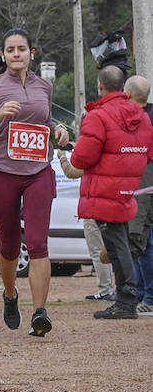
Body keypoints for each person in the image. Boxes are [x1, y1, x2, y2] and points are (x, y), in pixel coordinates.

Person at [0, 28, 69, 336]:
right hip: (2, 173)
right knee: (11, 244)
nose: (16, 54)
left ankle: (40, 312)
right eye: (10, 50)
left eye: (21, 49)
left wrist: (60, 130)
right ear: (3, 55)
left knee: (39, 242)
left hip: (39, 171)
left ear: (31, 54)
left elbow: (46, 121)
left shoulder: (45, 86)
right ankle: (10, 294)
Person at [70, 66, 152, 320]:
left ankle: (126, 300)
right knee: (121, 243)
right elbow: (148, 154)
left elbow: (82, 158)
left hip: (105, 189)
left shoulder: (99, 115)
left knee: (117, 245)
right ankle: (126, 297)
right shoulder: (143, 117)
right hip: (129, 188)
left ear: (100, 86)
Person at [123, 76, 153, 316]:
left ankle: (149, 296)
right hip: (140, 185)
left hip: (143, 187)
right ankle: (142, 293)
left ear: (129, 94)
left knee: (142, 240)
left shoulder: (139, 119)